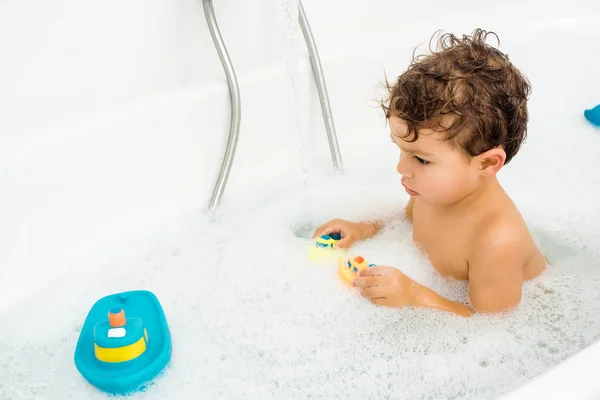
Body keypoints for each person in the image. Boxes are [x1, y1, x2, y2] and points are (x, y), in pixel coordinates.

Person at [313, 29, 546, 317]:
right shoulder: (432, 191)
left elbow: (490, 328)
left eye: (421, 159)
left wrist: (414, 295)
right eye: (400, 149)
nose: (401, 168)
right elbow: (406, 220)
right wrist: (363, 228)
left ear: (486, 164)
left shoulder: (496, 243)